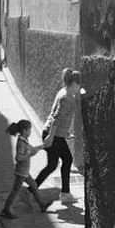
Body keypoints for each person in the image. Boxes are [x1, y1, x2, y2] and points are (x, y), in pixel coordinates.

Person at [32, 67, 80, 202]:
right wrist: (51, 137)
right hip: (54, 135)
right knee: (59, 162)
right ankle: (33, 190)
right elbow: (57, 118)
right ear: (74, 83)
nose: (80, 87)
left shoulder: (64, 92)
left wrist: (65, 133)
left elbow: (59, 117)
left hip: (55, 134)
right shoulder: (67, 98)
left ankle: (63, 193)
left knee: (60, 162)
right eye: (79, 84)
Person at [0, 120, 52, 219]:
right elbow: (18, 158)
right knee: (16, 190)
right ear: (24, 131)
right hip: (21, 172)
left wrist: (41, 147)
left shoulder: (24, 141)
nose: (30, 132)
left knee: (33, 185)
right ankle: (5, 210)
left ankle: (42, 205)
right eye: (29, 130)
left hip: (24, 171)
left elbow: (31, 150)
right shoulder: (21, 143)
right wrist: (28, 154)